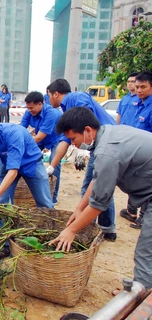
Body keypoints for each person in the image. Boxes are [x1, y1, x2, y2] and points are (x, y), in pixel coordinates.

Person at [50, 107, 152, 291]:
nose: (73, 145)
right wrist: (79, 208)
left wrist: (71, 230)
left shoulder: (107, 151)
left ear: (88, 130)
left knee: (146, 251)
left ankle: (140, 297)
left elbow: (99, 205)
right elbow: (97, 179)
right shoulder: (108, 134)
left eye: (73, 139)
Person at [46, 78, 117, 241]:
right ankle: (106, 228)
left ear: (55, 94)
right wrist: (52, 166)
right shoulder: (67, 109)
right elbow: (65, 141)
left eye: (48, 95)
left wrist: (81, 152)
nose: (48, 99)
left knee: (93, 188)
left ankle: (89, 228)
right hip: (99, 146)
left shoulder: (76, 98)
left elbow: (86, 123)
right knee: (101, 183)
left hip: (106, 145)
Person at [0, 105, 53, 209]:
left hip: (30, 162)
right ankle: (3, 224)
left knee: (44, 203)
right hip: (7, 161)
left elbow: (13, 171)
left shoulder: (12, 134)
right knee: (1, 204)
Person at [117, 71, 152, 230]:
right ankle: (131, 212)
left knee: (146, 186)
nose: (139, 90)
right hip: (134, 152)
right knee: (133, 181)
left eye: (143, 87)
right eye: (137, 87)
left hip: (147, 155)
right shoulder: (136, 104)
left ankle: (144, 219)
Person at [20, 91, 63, 204]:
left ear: (40, 104)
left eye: (32, 107)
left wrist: (25, 141)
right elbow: (20, 131)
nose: (30, 110)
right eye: (28, 108)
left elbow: (39, 138)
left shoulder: (51, 114)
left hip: (56, 138)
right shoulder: (29, 112)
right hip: (41, 138)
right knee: (26, 155)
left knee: (54, 163)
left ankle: (53, 197)